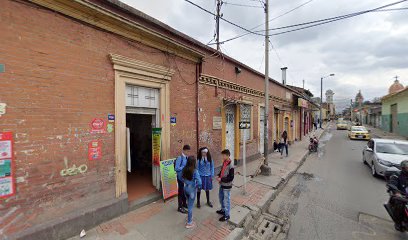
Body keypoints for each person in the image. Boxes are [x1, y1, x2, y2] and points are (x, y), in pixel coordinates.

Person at [182, 156, 202, 229]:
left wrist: (187, 182)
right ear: (194, 162)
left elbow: (181, 178)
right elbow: (199, 182)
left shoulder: (185, 169)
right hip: (192, 190)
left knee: (188, 203)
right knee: (190, 206)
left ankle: (188, 217)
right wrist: (198, 186)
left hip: (185, 188)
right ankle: (189, 223)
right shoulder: (195, 171)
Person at [389, 160, 408, 230]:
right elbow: (392, 183)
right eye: (407, 167)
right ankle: (398, 222)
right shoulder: (397, 175)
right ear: (403, 168)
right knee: (400, 205)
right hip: (401, 196)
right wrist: (397, 192)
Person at [216, 149, 234, 222]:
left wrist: (221, 179)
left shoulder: (231, 165)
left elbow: (231, 177)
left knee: (226, 200)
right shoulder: (224, 162)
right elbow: (222, 171)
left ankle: (227, 215)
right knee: (221, 198)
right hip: (222, 184)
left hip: (227, 185)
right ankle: (223, 210)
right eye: (222, 155)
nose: (222, 157)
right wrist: (218, 175)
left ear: (228, 155)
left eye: (223, 155)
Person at [175, 145, 191, 214]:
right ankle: (180, 207)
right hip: (180, 178)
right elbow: (176, 168)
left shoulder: (187, 158)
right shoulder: (180, 158)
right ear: (184, 150)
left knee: (184, 192)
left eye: (189, 151)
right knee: (181, 192)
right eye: (187, 151)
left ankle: (184, 204)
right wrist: (183, 166)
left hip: (185, 178)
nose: (188, 152)